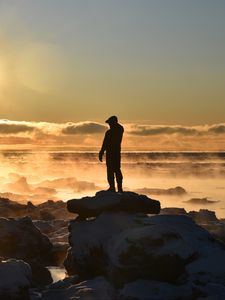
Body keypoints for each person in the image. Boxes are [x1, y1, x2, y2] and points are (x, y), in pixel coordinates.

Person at [99, 116, 124, 192]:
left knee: (115, 170)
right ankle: (113, 187)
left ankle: (118, 188)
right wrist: (102, 152)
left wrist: (102, 152)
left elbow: (106, 143)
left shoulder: (116, 131)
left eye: (110, 123)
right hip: (111, 153)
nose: (109, 125)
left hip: (114, 153)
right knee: (111, 170)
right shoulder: (110, 132)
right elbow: (105, 144)